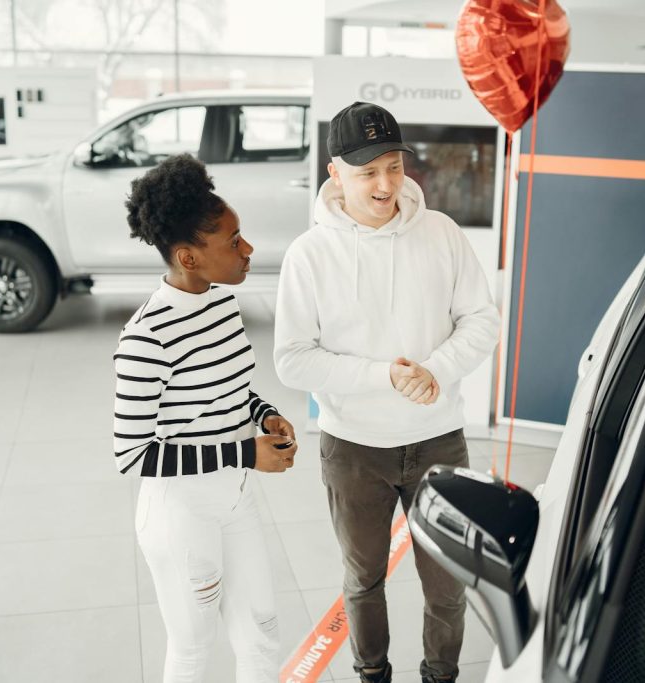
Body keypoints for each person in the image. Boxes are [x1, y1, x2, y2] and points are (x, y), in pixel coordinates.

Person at [273, 102, 501, 683]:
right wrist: (384, 376)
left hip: (440, 441)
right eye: (367, 171)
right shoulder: (310, 254)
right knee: (363, 580)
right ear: (335, 173)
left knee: (448, 582)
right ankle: (372, 673)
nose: (384, 184)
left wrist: (437, 369)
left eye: (394, 167)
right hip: (353, 449)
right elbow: (292, 359)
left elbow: (481, 319)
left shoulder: (442, 234)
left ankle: (440, 676)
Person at [114, 153, 298, 683]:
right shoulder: (146, 338)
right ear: (188, 257)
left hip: (235, 498)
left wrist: (264, 415)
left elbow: (229, 390)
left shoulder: (220, 303)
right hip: (181, 514)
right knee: (194, 650)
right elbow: (132, 454)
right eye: (233, 241)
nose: (248, 249)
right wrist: (244, 452)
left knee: (262, 637)